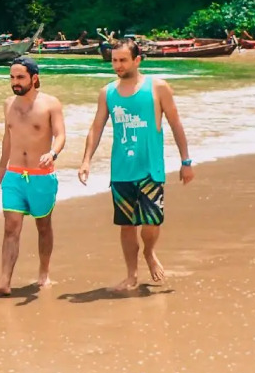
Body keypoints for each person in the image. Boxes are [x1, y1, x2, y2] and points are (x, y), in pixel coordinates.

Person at [78, 38, 194, 292]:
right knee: (127, 225)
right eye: (114, 61)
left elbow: (175, 124)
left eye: (122, 60)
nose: (117, 65)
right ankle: (131, 275)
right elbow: (97, 127)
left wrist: (185, 161)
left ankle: (150, 253)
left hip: (150, 168)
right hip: (121, 170)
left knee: (152, 223)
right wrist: (86, 160)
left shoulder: (157, 87)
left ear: (137, 60)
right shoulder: (108, 92)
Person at [0, 57, 66, 294]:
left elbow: (61, 135)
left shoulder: (51, 104)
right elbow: (8, 137)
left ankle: (44, 274)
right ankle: (4, 281)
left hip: (41, 176)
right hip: (14, 175)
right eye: (12, 77)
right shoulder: (8, 104)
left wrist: (52, 153)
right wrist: (2, 166)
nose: (15, 82)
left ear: (34, 78)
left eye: (20, 77)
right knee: (11, 227)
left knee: (43, 226)